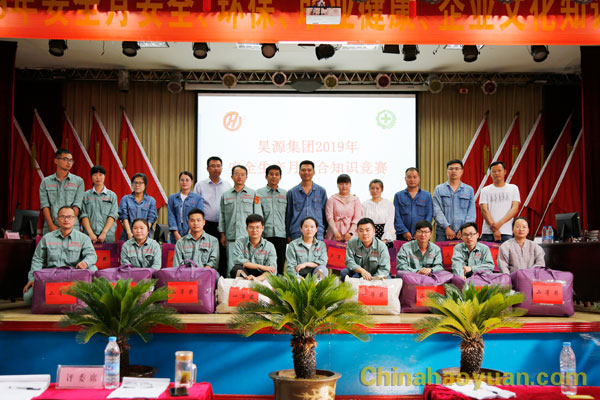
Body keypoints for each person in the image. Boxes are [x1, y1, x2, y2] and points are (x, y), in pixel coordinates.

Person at [22, 206, 97, 305]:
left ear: (75, 219)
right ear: (57, 219)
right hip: (52, 277)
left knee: (93, 268)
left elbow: (92, 255)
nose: (66, 219)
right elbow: (38, 259)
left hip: (73, 277)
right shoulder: (47, 238)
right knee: (28, 298)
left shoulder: (84, 238)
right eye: (62, 216)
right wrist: (33, 278)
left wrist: (85, 262)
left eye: (69, 217)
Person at [219, 165, 262, 276]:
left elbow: (258, 217)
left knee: (249, 267)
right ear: (232, 176)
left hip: (249, 238)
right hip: (231, 237)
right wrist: (222, 234)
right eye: (237, 174)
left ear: (246, 177)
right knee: (231, 267)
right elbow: (222, 216)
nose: (239, 177)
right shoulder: (225, 195)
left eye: (242, 175)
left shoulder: (253, 194)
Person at [193, 156, 231, 277]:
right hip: (207, 225)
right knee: (207, 253)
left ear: (222, 168)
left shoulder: (227, 185)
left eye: (218, 166)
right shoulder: (200, 185)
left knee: (223, 254)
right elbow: (195, 207)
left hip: (223, 226)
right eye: (213, 166)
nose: (216, 168)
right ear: (207, 168)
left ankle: (221, 279)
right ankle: (206, 277)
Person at [39, 148, 85, 234]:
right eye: (65, 159)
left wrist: (69, 223)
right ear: (56, 161)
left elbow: (77, 204)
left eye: (71, 160)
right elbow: (45, 205)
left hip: (72, 227)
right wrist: (51, 225)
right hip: (51, 225)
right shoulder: (46, 182)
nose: (69, 162)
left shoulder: (79, 181)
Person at [433, 160, 476, 242]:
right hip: (443, 232)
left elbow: (471, 213)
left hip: (464, 233)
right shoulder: (439, 189)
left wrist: (464, 229)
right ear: (447, 171)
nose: (453, 171)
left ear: (462, 171)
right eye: (451, 169)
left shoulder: (469, 190)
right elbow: (437, 211)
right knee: (442, 251)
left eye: (457, 169)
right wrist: (446, 227)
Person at [286, 160, 328, 242]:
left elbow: (325, 213)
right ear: (299, 172)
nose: (306, 172)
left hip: (317, 233)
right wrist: (288, 234)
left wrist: (325, 231)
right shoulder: (292, 192)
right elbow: (288, 215)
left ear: (314, 172)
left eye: (309, 170)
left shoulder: (321, 191)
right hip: (297, 233)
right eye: (303, 170)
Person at [256, 165, 287, 275]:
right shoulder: (258, 193)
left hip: (281, 234)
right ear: (266, 176)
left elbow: (288, 215)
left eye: (277, 174)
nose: (274, 176)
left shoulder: (285, 194)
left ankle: (279, 284)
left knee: (280, 262)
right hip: (265, 234)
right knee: (265, 262)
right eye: (271, 174)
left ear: (280, 177)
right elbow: (257, 214)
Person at [480, 161, 520, 243]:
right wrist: (494, 229)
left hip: (506, 231)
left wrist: (498, 224)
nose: (497, 173)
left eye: (499, 170)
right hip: (488, 232)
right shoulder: (485, 190)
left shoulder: (513, 188)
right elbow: (484, 210)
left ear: (505, 171)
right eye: (494, 171)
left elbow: (515, 208)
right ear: (490, 174)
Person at [340, 217, 390, 281]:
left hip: (376, 275)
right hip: (358, 273)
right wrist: (362, 271)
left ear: (374, 231)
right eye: (361, 231)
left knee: (388, 279)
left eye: (367, 230)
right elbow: (349, 262)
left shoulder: (382, 246)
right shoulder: (352, 243)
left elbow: (384, 269)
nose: (364, 233)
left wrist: (373, 279)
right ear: (357, 232)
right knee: (344, 272)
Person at [230, 214, 277, 281]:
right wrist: (261, 266)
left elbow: (272, 270)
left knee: (270, 273)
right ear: (246, 228)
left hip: (261, 277)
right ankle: (245, 285)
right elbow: (238, 261)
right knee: (236, 269)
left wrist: (256, 279)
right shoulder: (240, 243)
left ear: (262, 228)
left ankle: (253, 283)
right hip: (245, 275)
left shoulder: (269, 246)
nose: (254, 230)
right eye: (251, 227)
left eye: (257, 227)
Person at [173, 209, 220, 275]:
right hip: (186, 275)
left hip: (206, 273)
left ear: (204, 222)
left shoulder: (213, 241)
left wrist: (202, 273)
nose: (195, 223)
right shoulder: (180, 242)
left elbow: (213, 262)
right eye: (192, 220)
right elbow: (178, 265)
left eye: (198, 220)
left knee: (217, 276)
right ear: (188, 222)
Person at [80, 165, 118, 243]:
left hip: (107, 236)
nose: (98, 177)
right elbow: (83, 215)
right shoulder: (85, 195)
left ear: (104, 176)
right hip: (89, 236)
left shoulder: (112, 195)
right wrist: (90, 233)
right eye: (95, 175)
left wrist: (104, 232)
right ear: (91, 177)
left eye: (100, 175)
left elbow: (113, 215)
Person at [393, 168, 433, 241]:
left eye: (414, 177)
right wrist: (404, 231)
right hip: (402, 235)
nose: (412, 179)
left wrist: (420, 231)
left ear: (419, 178)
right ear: (405, 179)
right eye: (409, 177)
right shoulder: (398, 196)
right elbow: (396, 216)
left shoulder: (427, 195)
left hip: (422, 236)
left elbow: (429, 215)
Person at [118, 173, 158, 241]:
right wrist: (129, 233)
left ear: (145, 185)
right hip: (128, 236)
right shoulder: (125, 199)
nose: (137, 185)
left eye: (140, 183)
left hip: (145, 237)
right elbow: (124, 217)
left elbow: (151, 219)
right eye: (135, 183)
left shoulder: (151, 200)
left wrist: (143, 233)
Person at [167, 171, 205, 243]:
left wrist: (190, 232)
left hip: (193, 232)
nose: (184, 182)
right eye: (182, 180)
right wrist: (176, 233)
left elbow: (199, 215)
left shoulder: (198, 198)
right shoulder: (172, 198)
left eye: (187, 180)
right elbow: (171, 216)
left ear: (192, 182)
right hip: (176, 233)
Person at [325, 174, 362, 242]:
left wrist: (351, 232)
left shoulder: (355, 200)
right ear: (337, 185)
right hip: (334, 232)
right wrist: (335, 231)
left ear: (350, 185)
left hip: (351, 233)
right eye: (341, 184)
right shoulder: (332, 199)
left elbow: (357, 218)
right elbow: (329, 217)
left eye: (346, 184)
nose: (344, 186)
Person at [361, 179, 395, 244]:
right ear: (369, 190)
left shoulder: (388, 203)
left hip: (385, 234)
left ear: (382, 189)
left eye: (377, 188)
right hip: (369, 234)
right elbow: (363, 222)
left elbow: (390, 221)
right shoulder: (364, 204)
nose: (374, 191)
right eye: (372, 188)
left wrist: (385, 239)